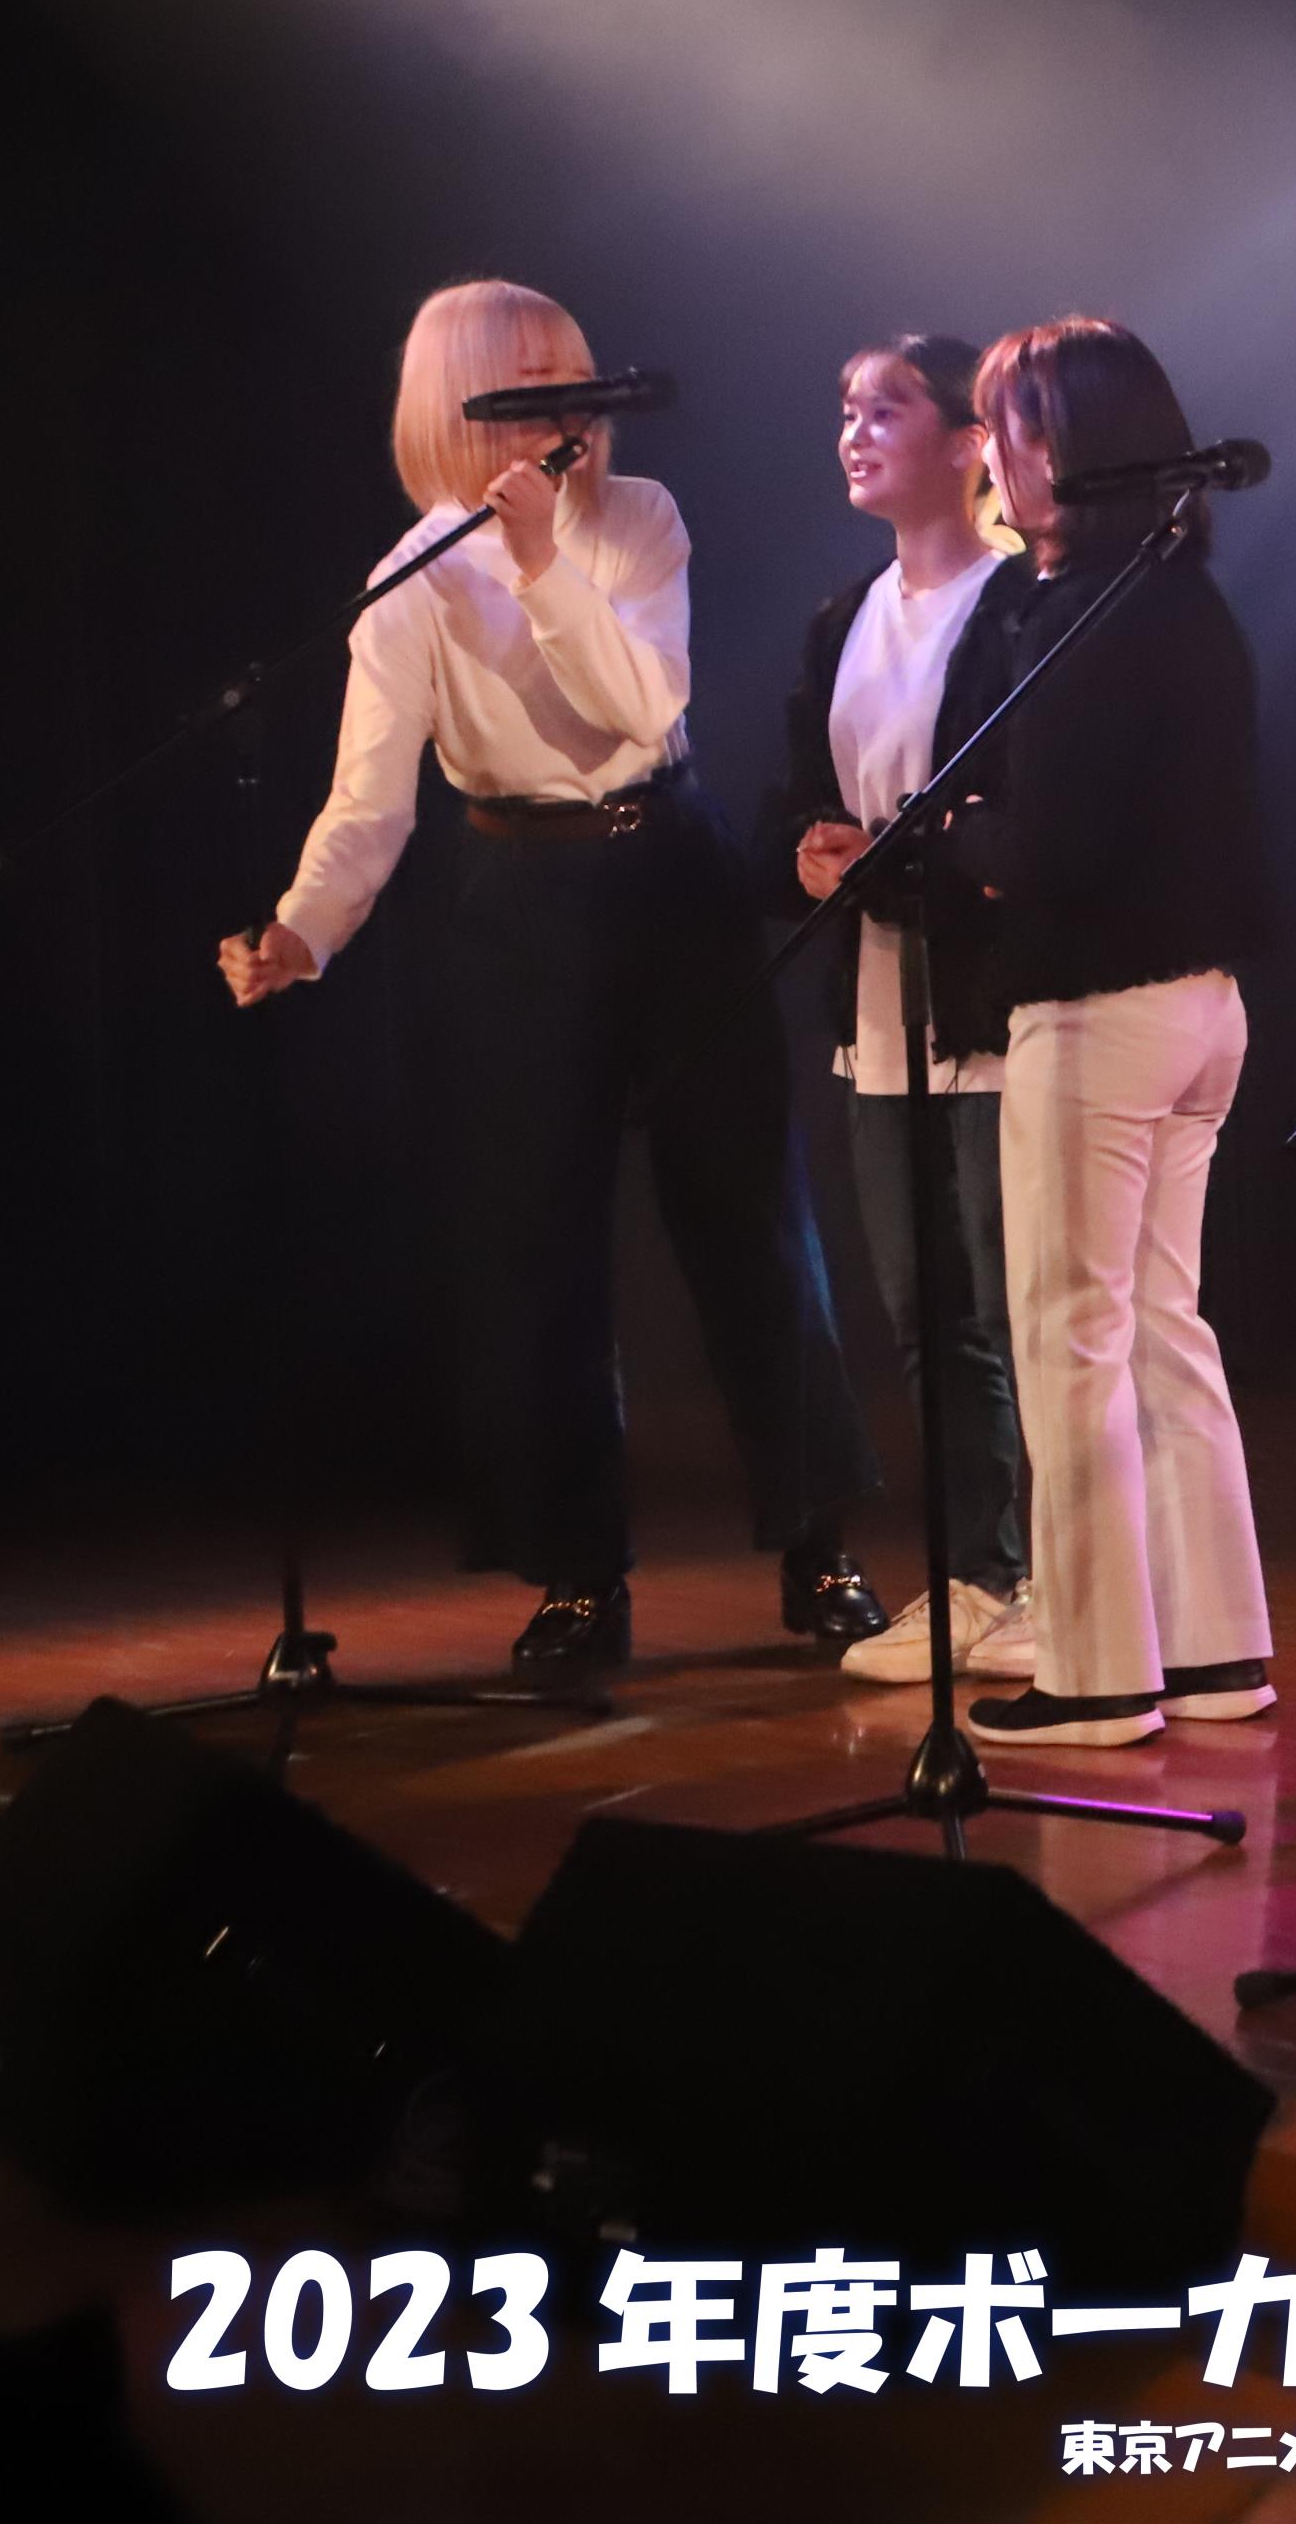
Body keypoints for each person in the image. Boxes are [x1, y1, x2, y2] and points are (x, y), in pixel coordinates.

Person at [217, 279, 881, 1671]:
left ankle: (818, 1543)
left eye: (568, 380)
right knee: (536, 1246)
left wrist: (540, 565)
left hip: (672, 868)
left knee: (750, 1219)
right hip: (519, 892)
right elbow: (370, 799)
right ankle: (579, 1575)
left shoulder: (638, 520)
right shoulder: (411, 574)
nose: (559, 410)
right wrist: (300, 928)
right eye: (524, 384)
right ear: (458, 401)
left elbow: (646, 702)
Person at [942, 317, 1275, 1749]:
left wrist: (951, 836)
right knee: (1161, 1327)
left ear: (1075, 447)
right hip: (1202, 1007)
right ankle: (1214, 1652)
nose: (990, 459)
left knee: (1068, 1331)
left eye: (1008, 429)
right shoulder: (1182, 600)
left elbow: (1049, 847)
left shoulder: (1085, 611)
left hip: (1097, 1009)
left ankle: (1094, 1673)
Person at [767, 335, 1041, 1690]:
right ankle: (977, 1577)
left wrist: (912, 860)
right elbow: (794, 795)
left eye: (888, 408)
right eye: (846, 409)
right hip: (878, 1007)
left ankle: (1052, 1578)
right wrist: (810, 851)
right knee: (927, 1312)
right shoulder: (845, 618)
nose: (857, 432)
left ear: (970, 441)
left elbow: (1026, 810)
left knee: (1012, 1300)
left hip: (989, 1004)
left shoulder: (1022, 602)